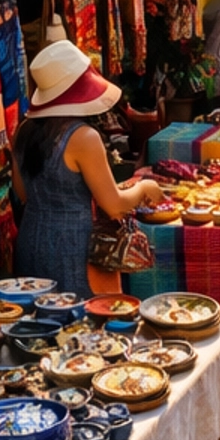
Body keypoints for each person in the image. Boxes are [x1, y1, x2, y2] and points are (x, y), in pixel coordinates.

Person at [13, 40, 164, 299]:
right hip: (73, 246)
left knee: (40, 318)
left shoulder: (23, 131)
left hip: (31, 239)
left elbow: (23, 194)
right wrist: (144, 188)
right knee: (81, 322)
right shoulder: (83, 138)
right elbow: (114, 205)